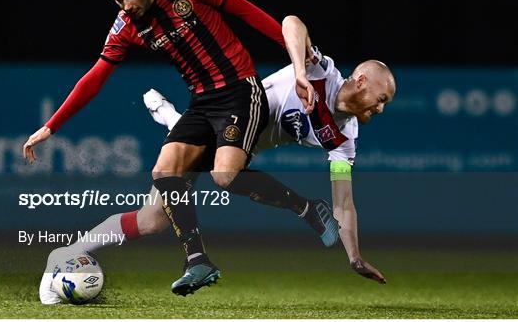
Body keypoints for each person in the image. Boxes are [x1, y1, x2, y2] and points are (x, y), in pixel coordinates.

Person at [23, 0, 338, 298]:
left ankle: (308, 209)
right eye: (117, 1)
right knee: (154, 209)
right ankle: (179, 259)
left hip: (239, 90)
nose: (125, 6)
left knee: (225, 175)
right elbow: (96, 77)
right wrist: (51, 126)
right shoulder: (126, 25)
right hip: (201, 103)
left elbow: (245, 11)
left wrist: (299, 59)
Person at [38, 15, 394, 304]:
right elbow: (291, 23)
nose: (380, 109)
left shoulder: (345, 140)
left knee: (155, 217)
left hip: (234, 143)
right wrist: (300, 70)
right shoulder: (322, 73)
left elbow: (344, 204)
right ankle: (72, 253)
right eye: (381, 99)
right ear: (361, 80)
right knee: (191, 193)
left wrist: (354, 256)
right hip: (231, 114)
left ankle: (68, 252)